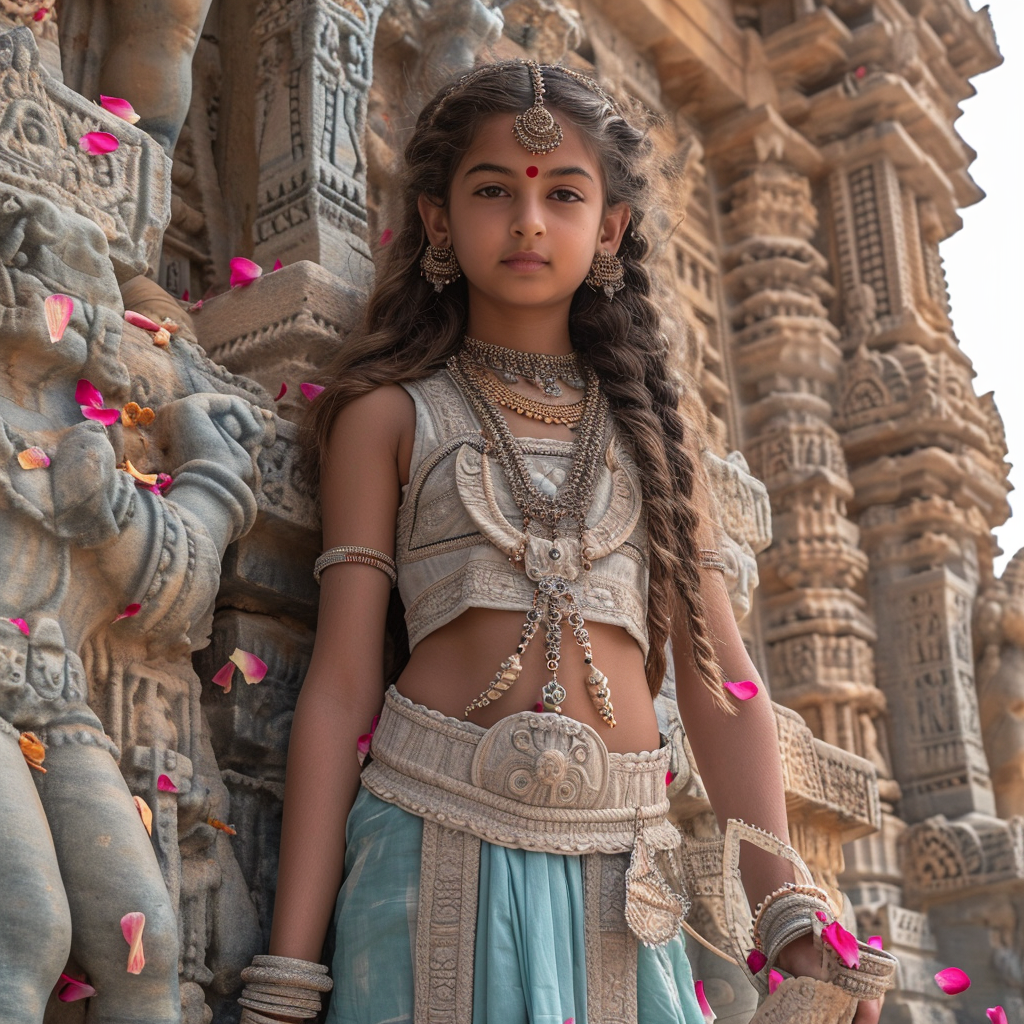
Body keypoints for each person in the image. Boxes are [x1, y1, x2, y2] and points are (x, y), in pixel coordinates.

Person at [238, 60, 893, 1024]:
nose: (529, 222)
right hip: (428, 844)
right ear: (435, 220)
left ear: (613, 228)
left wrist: (787, 908)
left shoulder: (661, 445)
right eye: (494, 190)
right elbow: (339, 690)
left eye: (564, 195)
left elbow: (723, 690)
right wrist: (291, 972)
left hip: (626, 878)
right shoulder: (389, 416)